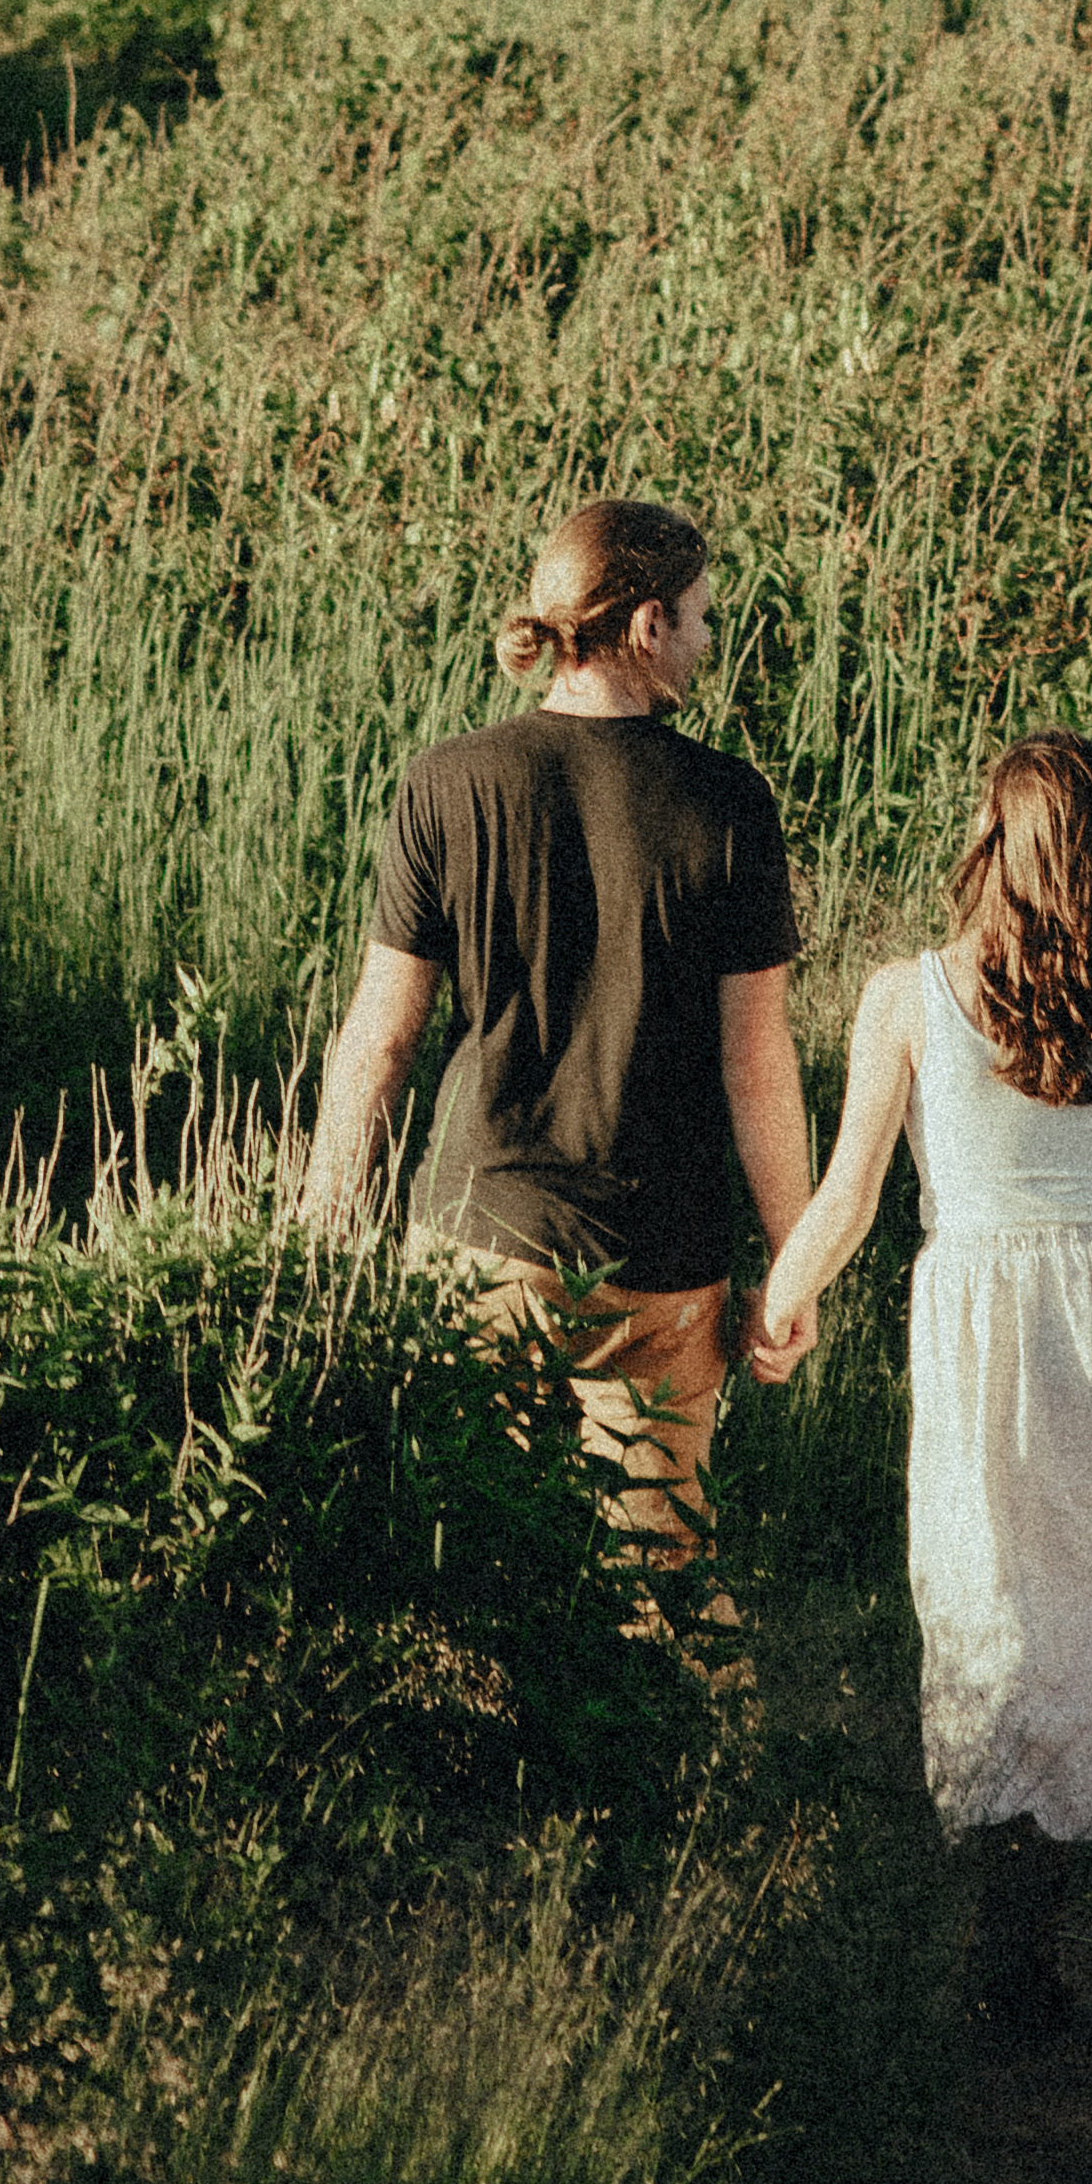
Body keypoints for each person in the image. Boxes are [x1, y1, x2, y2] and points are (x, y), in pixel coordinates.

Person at [751, 725, 1092, 2032]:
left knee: (989, 1613)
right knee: (1091, 1614)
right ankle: (1023, 1939)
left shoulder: (906, 995)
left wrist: (780, 1298)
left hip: (979, 1324)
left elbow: (852, 1192)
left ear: (992, 840)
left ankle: (1004, 1940)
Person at [298, 491, 808, 1585]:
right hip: (661, 1273)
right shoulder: (729, 804)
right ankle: (670, 1762)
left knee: (466, 1577)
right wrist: (793, 1260)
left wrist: (321, 1227)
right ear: (644, 627)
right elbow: (757, 1063)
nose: (710, 640)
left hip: (478, 1244)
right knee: (655, 1592)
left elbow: (377, 1038)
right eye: (701, 615)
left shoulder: (447, 779)